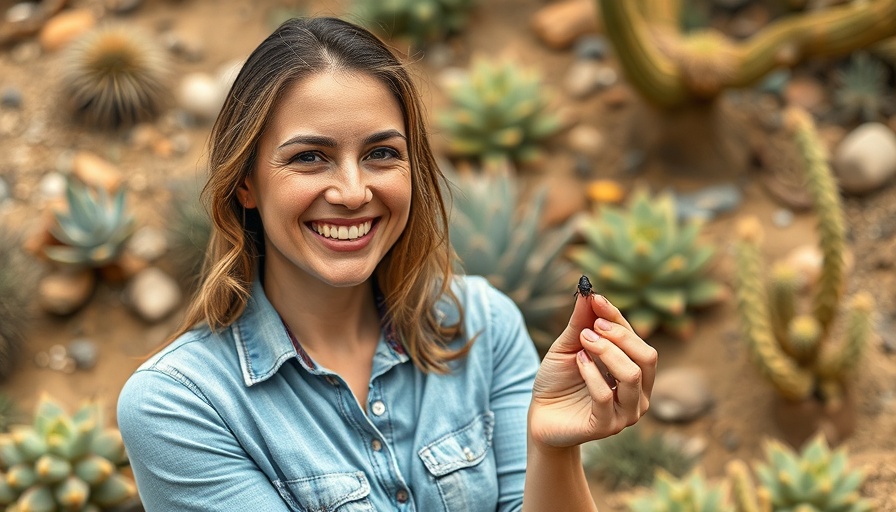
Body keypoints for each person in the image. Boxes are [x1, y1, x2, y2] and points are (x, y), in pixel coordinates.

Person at [116, 16, 658, 512]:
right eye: (310, 157)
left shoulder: (485, 326)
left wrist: (551, 448)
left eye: (381, 154)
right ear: (245, 182)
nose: (354, 193)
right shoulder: (178, 407)